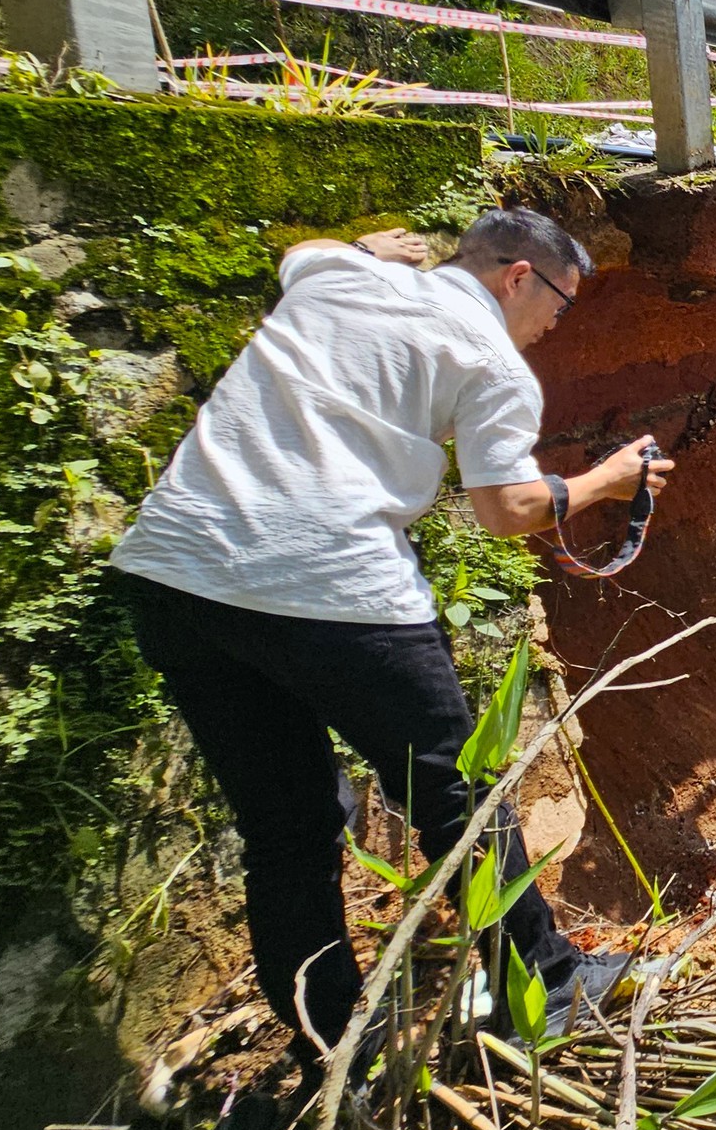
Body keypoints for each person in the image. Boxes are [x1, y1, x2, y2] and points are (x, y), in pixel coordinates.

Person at [109, 207, 674, 1074]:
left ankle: (331, 1046)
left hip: (177, 578)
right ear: (516, 277)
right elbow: (504, 508)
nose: (553, 326)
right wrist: (607, 479)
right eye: (557, 305)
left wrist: (364, 249)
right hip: (332, 584)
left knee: (286, 830)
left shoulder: (344, 276)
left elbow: (301, 252)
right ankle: (551, 988)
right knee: (459, 794)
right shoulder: (491, 359)